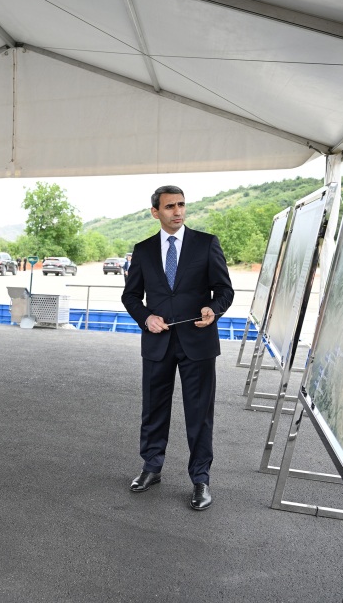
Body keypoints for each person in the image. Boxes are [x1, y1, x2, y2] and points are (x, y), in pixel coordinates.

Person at [120, 185, 233, 511]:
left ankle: (201, 479)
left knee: (200, 414)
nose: (177, 211)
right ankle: (152, 467)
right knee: (154, 409)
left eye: (181, 205)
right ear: (155, 212)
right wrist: (146, 317)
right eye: (170, 206)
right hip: (157, 343)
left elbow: (224, 290)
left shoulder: (206, 243)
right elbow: (130, 296)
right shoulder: (143, 250)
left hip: (198, 342)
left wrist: (214, 309)